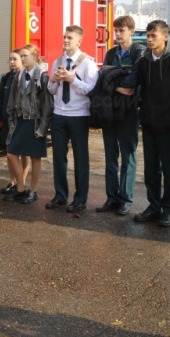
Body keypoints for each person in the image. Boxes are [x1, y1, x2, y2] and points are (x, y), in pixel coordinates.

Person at [126, 19, 170, 227]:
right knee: (151, 169)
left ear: (165, 36)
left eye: (154, 36)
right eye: (147, 35)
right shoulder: (144, 61)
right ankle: (153, 206)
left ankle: (168, 209)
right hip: (149, 123)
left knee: (169, 169)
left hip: (169, 125)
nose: (149, 39)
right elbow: (136, 86)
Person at [45, 25, 98, 213]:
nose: (65, 41)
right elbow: (51, 91)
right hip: (59, 114)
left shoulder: (87, 63)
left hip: (78, 115)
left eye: (70, 38)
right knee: (59, 157)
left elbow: (90, 89)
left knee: (80, 158)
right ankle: (60, 195)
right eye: (64, 37)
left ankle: (80, 199)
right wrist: (53, 79)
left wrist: (72, 79)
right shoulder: (57, 61)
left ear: (79, 41)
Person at [96, 15, 145, 216]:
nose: (117, 34)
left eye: (121, 31)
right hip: (110, 109)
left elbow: (133, 80)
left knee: (128, 156)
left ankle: (125, 198)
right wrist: (117, 84)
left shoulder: (138, 52)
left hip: (129, 111)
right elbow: (102, 79)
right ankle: (112, 197)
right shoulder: (111, 53)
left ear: (131, 31)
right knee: (110, 157)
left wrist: (113, 81)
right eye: (115, 31)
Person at [6, 44, 52, 204]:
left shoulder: (42, 76)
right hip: (21, 120)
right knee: (12, 154)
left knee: (35, 157)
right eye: (22, 56)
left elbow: (47, 104)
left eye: (26, 56)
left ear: (35, 56)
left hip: (35, 121)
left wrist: (43, 128)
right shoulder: (19, 75)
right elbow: (12, 99)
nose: (23, 58)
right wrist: (11, 119)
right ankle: (20, 188)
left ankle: (32, 191)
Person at [0, 50, 30, 197]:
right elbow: (0, 98)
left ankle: (21, 182)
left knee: (23, 153)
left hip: (21, 120)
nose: (11, 62)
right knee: (9, 152)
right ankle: (12, 182)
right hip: (8, 120)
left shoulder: (26, 77)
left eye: (14, 59)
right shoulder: (7, 77)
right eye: (10, 59)